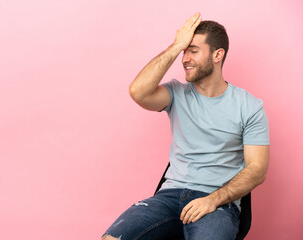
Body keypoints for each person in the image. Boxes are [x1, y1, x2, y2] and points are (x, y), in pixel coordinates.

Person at [102, 12, 269, 240]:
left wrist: (213, 200)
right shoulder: (176, 93)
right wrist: (176, 45)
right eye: (184, 51)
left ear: (217, 55)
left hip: (217, 203)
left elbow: (257, 169)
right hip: (169, 197)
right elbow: (138, 92)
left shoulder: (249, 106)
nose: (184, 58)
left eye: (193, 50)